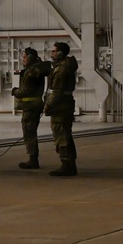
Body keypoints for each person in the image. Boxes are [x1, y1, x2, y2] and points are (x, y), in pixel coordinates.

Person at [11, 47, 52, 169]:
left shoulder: (31, 71)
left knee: (29, 133)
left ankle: (33, 159)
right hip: (34, 106)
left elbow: (26, 90)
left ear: (29, 58)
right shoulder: (34, 70)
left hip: (31, 107)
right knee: (30, 132)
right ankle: (32, 158)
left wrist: (15, 92)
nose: (22, 60)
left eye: (24, 57)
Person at [43, 41, 78, 176]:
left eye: (54, 51)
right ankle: (70, 164)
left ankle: (66, 164)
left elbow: (56, 92)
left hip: (60, 107)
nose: (52, 53)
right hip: (66, 104)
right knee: (66, 135)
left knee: (61, 136)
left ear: (61, 53)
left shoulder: (61, 70)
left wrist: (47, 107)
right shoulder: (64, 67)